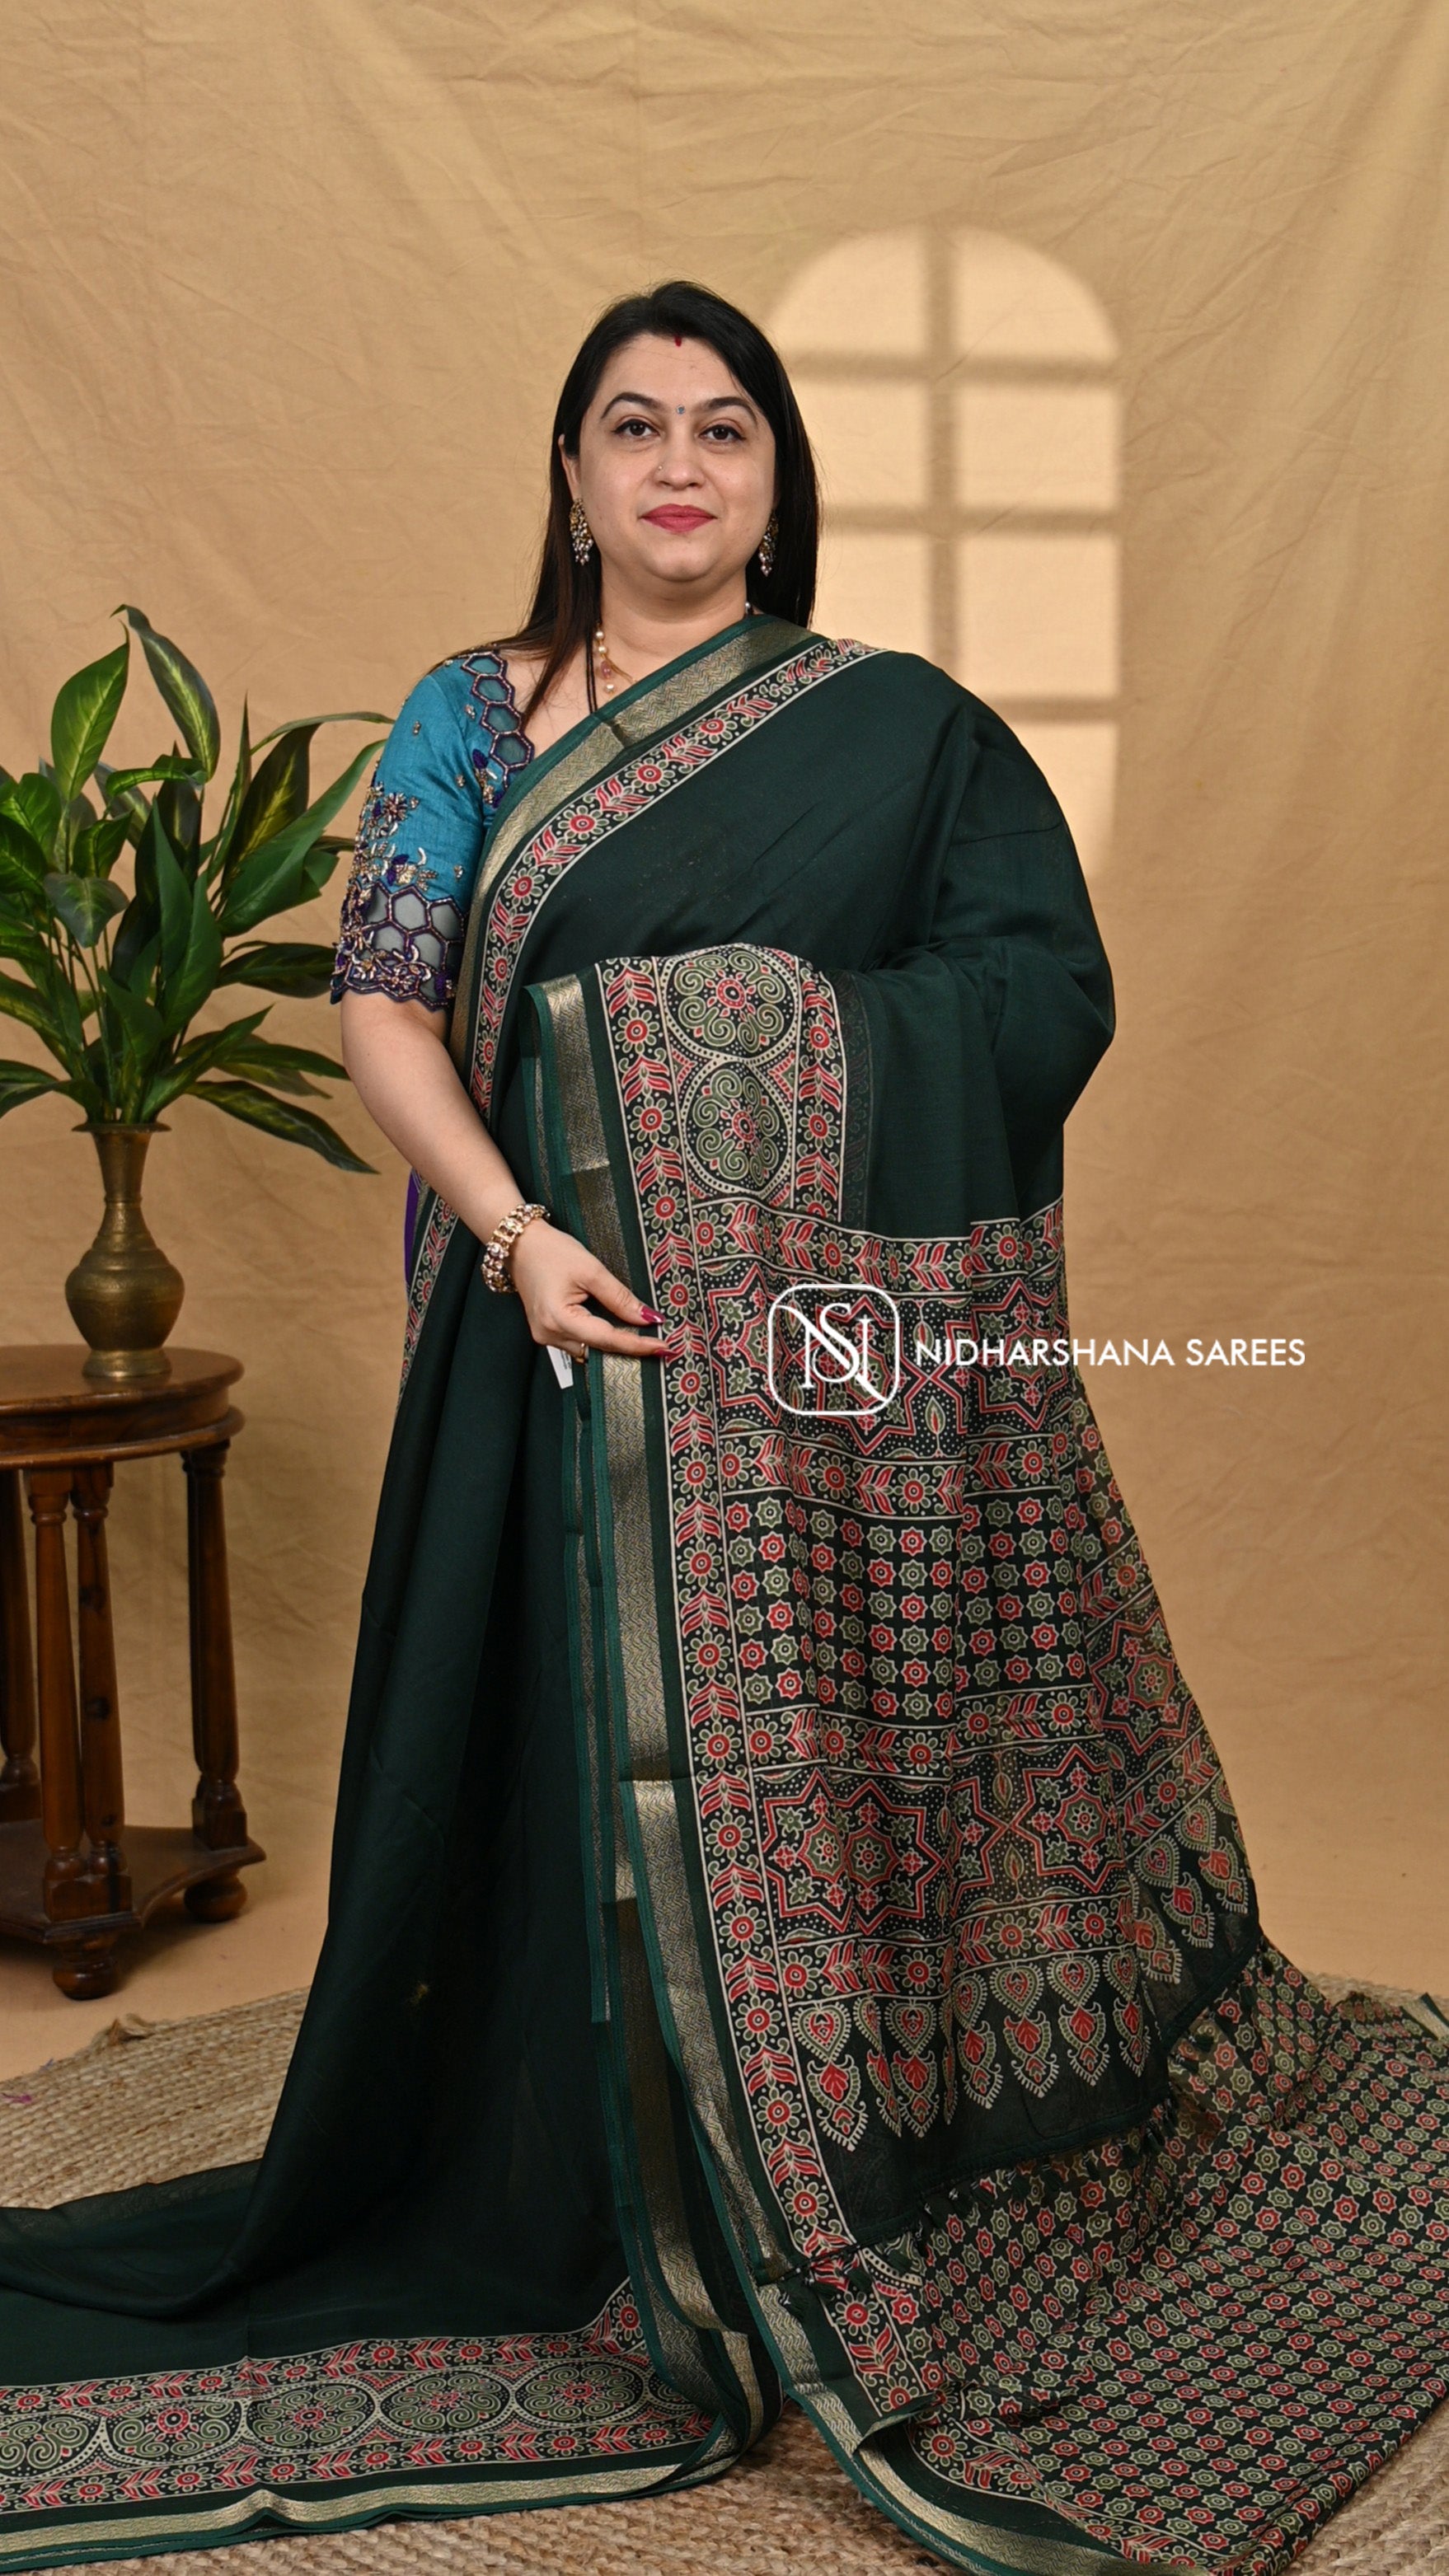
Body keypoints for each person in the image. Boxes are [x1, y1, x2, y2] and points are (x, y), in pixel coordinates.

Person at [0, 279, 1444, 2576]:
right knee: (549, 1750)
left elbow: (1035, 990)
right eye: (633, 425)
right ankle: (567, 2165)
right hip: (538, 1322)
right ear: (573, 477)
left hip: (805, 1382)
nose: (678, 464)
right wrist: (515, 1233)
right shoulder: (470, 716)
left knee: (800, 1762)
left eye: (725, 429)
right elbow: (386, 1006)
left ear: (775, 482)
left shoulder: (900, 731)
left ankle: (796, 2147)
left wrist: (719, 1040)